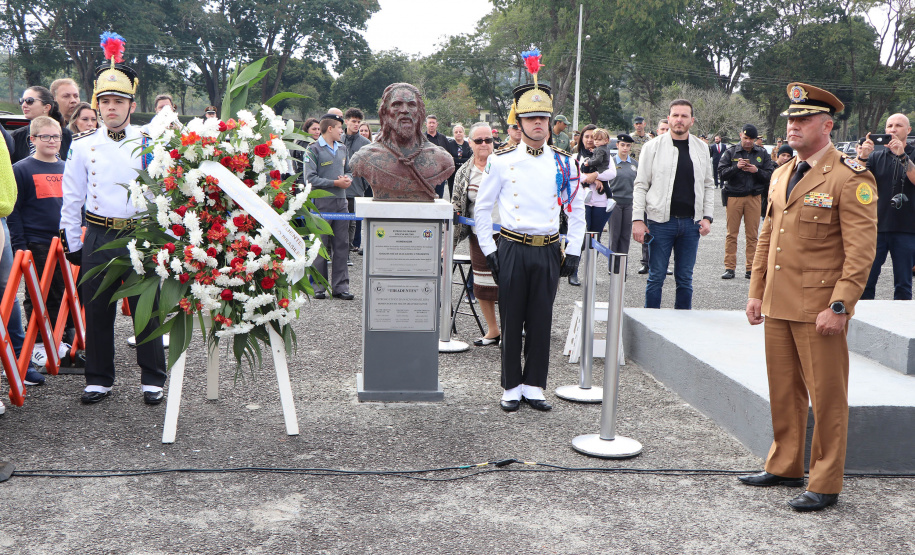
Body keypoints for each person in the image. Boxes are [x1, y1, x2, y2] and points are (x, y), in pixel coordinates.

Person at [742, 82, 878, 512]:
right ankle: (785, 464)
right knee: (784, 390)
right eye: (790, 120)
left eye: (802, 120)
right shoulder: (782, 173)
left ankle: (825, 481)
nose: (793, 127)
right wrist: (755, 292)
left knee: (827, 396)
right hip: (779, 303)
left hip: (819, 307)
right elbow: (767, 238)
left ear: (827, 125)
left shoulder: (850, 177)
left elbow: (860, 252)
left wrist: (841, 305)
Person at [59, 47, 168, 405]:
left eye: (118, 101)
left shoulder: (150, 144)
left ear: (131, 106)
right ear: (97, 105)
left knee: (146, 309)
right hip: (99, 235)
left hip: (140, 236)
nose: (110, 108)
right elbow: (71, 197)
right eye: (104, 101)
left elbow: (164, 193)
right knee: (98, 308)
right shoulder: (82, 145)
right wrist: (73, 241)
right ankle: (99, 379)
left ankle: (153, 378)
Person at [473, 78, 585, 413]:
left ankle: (534, 385)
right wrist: (490, 251)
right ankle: (510, 386)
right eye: (530, 118)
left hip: (549, 248)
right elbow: (481, 208)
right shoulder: (502, 160)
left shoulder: (565, 162)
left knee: (541, 319)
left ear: (550, 122)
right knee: (511, 317)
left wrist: (575, 250)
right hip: (512, 247)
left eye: (543, 118)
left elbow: (576, 209)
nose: (538, 123)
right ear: (519, 124)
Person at [632, 98, 715, 309]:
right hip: (660, 222)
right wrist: (637, 220)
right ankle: (649, 329)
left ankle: (682, 332)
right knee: (656, 277)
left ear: (692, 120)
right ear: (668, 118)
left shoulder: (701, 149)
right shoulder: (652, 147)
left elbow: (708, 185)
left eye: (684, 116)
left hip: (690, 224)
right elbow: (641, 185)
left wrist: (707, 217)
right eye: (675, 115)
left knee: (685, 279)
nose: (679, 120)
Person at [8, 116, 68, 380]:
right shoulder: (21, 169)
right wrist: (20, 244)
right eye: (45, 137)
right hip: (36, 242)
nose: (52, 141)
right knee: (38, 295)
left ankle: (59, 338)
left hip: (63, 242)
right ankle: (40, 345)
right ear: (32, 139)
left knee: (63, 292)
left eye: (56, 137)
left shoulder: (66, 167)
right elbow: (14, 211)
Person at [349, 83, 453, 202]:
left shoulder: (441, 159)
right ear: (385, 112)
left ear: (419, 113)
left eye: (411, 105)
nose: (405, 110)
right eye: (397, 104)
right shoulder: (365, 157)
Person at [857, 113, 915, 300]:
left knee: (904, 285)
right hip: (876, 226)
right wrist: (863, 157)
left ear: (908, 130)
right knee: (867, 281)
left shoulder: (912, 154)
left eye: (898, 125)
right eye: (890, 125)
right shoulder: (876, 157)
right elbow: (856, 184)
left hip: (906, 228)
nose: (893, 129)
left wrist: (902, 156)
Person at [452, 122, 501, 346]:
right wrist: (448, 243)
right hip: (478, 235)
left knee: (512, 283)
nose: (484, 144)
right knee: (482, 285)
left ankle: (514, 328)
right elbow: (456, 205)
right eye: (478, 140)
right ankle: (493, 330)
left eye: (487, 140)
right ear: (470, 143)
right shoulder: (464, 171)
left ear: (493, 141)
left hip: (509, 235)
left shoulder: (505, 164)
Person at [304, 113, 354, 300]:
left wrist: (348, 179)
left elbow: (348, 170)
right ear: (330, 129)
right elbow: (310, 178)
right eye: (340, 128)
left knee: (342, 245)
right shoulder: (313, 149)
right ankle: (318, 286)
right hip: (321, 203)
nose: (342, 131)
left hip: (341, 202)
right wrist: (335, 183)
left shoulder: (342, 148)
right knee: (319, 246)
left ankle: (341, 287)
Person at [718, 124, 775, 280]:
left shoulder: (762, 153)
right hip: (734, 197)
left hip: (754, 197)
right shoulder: (730, 152)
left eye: (751, 139)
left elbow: (771, 175)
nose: (748, 142)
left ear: (755, 139)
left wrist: (756, 171)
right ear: (740, 135)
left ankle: (751, 268)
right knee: (731, 234)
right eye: (745, 138)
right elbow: (721, 174)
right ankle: (729, 268)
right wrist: (736, 167)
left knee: (752, 236)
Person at [11, 86, 71, 163]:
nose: (24, 105)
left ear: (46, 107)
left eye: (29, 101)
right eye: (22, 101)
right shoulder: (16, 137)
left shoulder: (68, 136)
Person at [342, 108, 371, 259]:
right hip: (338, 188)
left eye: (358, 122)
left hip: (356, 189)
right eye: (353, 121)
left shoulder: (366, 143)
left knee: (351, 223)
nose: (356, 124)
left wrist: (362, 185)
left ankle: (346, 253)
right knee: (336, 221)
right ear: (346, 121)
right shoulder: (338, 139)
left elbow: (370, 168)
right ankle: (334, 252)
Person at [606, 134, 637, 267]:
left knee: (625, 235)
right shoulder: (611, 162)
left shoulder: (634, 164)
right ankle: (613, 265)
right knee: (614, 235)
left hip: (629, 202)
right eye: (622, 145)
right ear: (617, 145)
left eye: (628, 145)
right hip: (615, 202)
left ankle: (622, 265)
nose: (625, 148)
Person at [424, 114, 451, 198]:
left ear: (437, 124)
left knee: (439, 199)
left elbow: (448, 155)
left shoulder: (442, 138)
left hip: (440, 176)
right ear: (426, 124)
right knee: (426, 198)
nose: (431, 125)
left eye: (433, 123)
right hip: (425, 176)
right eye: (430, 123)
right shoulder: (421, 138)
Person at [447, 124, 473, 194]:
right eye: (456, 132)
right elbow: (449, 159)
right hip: (453, 174)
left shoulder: (468, 145)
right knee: (453, 193)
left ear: (464, 133)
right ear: (453, 134)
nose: (458, 133)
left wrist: (455, 160)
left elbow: (470, 159)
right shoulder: (449, 144)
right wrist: (463, 159)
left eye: (460, 132)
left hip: (466, 173)